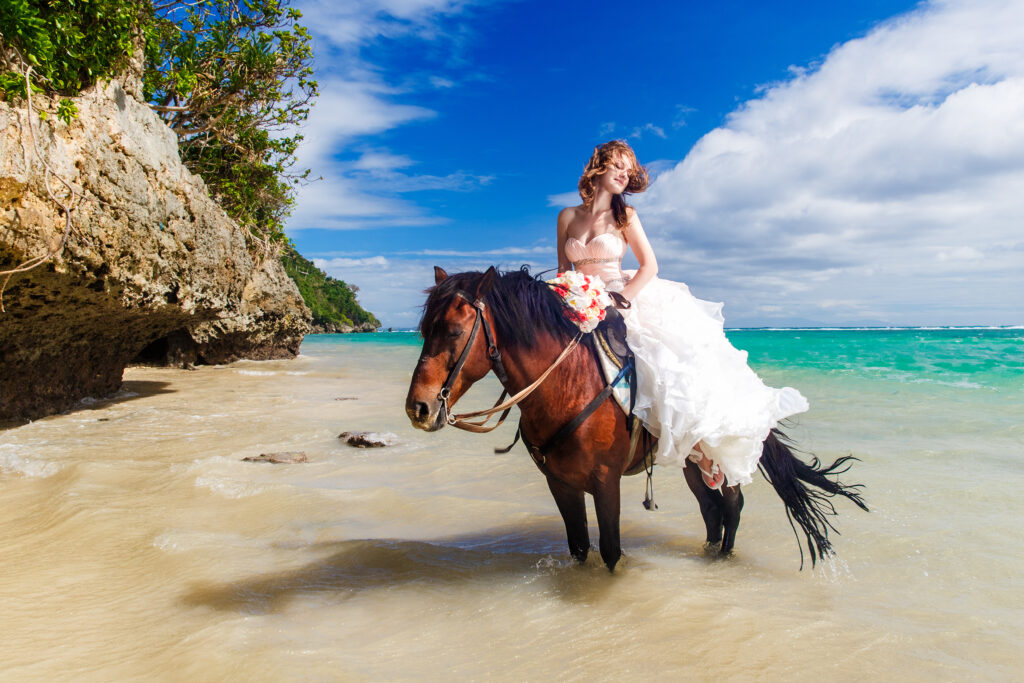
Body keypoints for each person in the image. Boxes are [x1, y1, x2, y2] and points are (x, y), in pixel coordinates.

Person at [556, 140, 809, 490]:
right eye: (617, 166)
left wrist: (618, 301)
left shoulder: (625, 217)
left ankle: (697, 449)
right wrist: (565, 298)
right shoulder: (567, 216)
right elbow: (561, 270)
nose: (623, 175)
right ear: (599, 166)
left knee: (661, 362)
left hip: (618, 296)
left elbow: (650, 266)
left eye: (628, 172)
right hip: (578, 300)